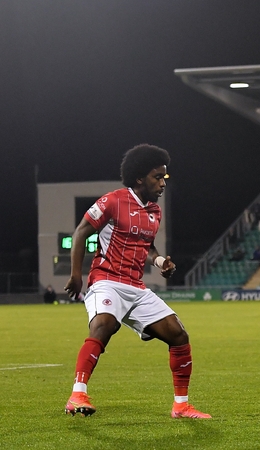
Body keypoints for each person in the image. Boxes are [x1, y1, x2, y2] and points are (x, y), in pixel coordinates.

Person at [63, 144, 210, 419]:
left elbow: (149, 247)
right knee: (105, 325)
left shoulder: (154, 211)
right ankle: (78, 393)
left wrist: (159, 262)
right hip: (106, 280)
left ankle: (181, 406)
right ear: (140, 178)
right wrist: (76, 275)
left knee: (178, 335)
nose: (163, 182)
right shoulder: (113, 200)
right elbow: (81, 232)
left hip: (136, 287)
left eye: (165, 177)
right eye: (158, 176)